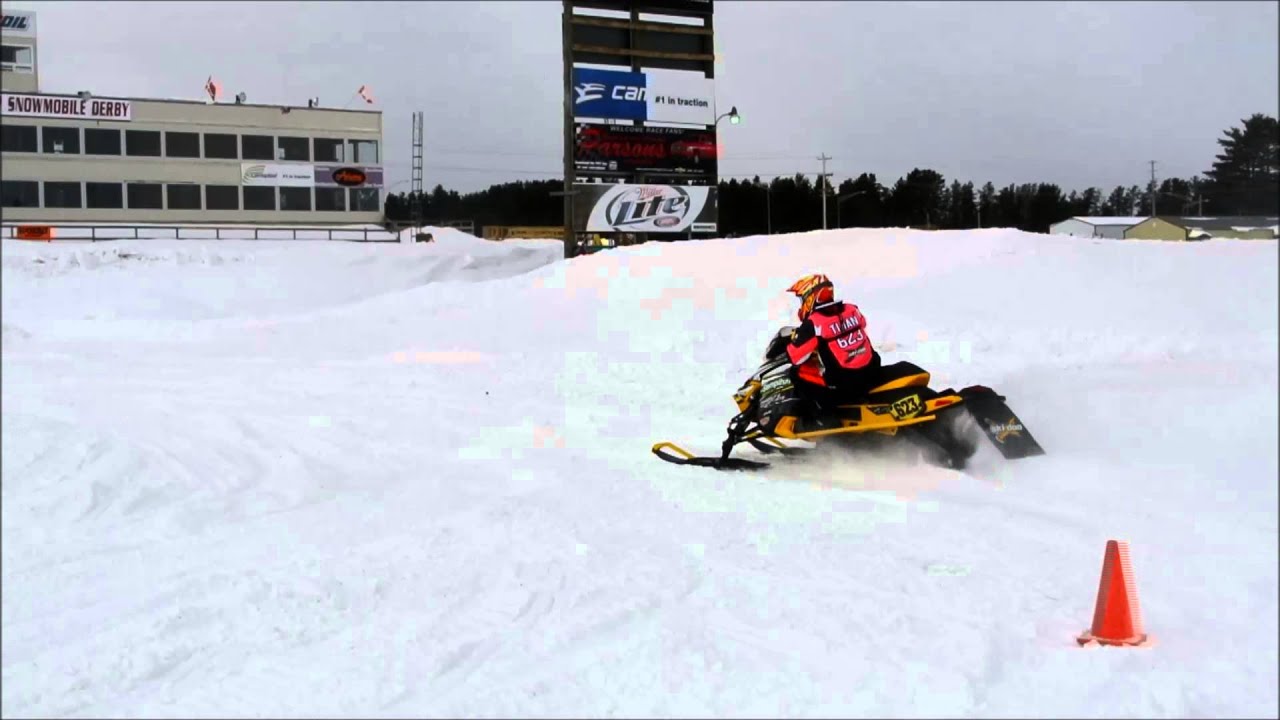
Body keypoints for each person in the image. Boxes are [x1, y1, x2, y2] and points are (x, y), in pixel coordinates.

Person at [783, 273, 882, 409]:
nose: (801, 304)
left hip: (845, 383)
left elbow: (795, 357)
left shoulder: (814, 322)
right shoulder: (852, 309)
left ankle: (824, 420)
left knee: (796, 373)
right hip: (872, 370)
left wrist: (792, 343)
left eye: (802, 299)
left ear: (811, 296)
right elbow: (863, 323)